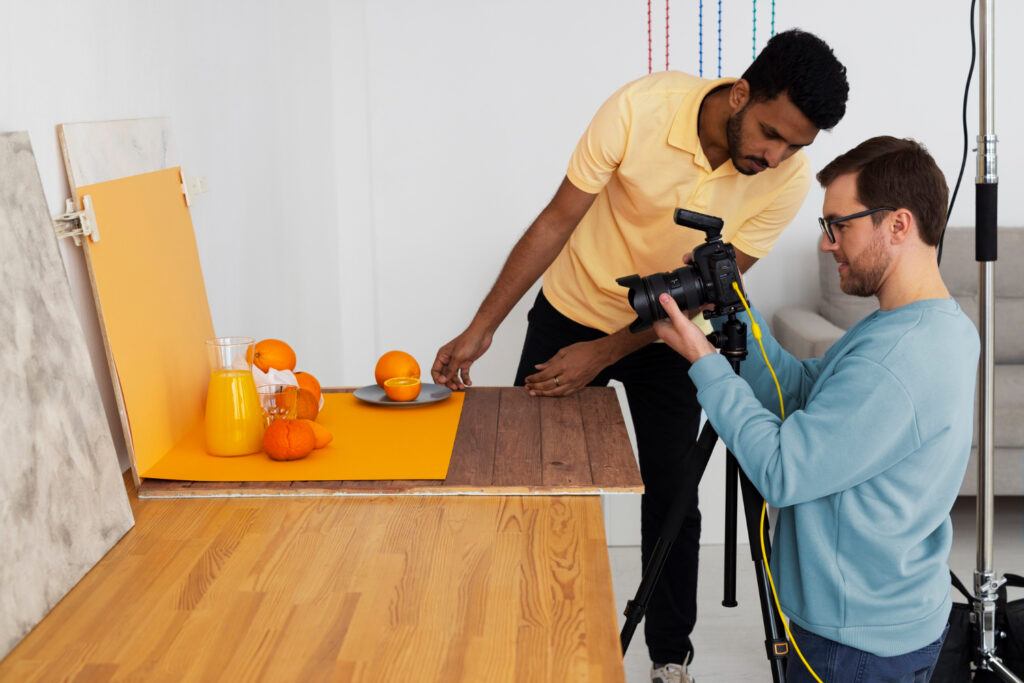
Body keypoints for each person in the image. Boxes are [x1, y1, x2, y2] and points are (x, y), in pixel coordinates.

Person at [432, 29, 849, 682]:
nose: (777, 156)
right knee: (533, 478)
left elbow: (716, 290)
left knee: (674, 493)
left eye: (795, 145)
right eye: (771, 133)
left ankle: (668, 655)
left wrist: (607, 352)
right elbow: (555, 221)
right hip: (573, 307)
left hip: (671, 333)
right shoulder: (639, 108)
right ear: (741, 95)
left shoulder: (786, 180)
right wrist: (482, 327)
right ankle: (522, 626)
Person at [652, 136, 979, 682]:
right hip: (885, 613)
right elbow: (807, 395)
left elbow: (784, 470)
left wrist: (703, 361)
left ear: (898, 225)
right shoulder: (922, 325)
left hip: (851, 640)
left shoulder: (898, 358)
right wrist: (737, 312)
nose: (828, 245)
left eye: (839, 225)